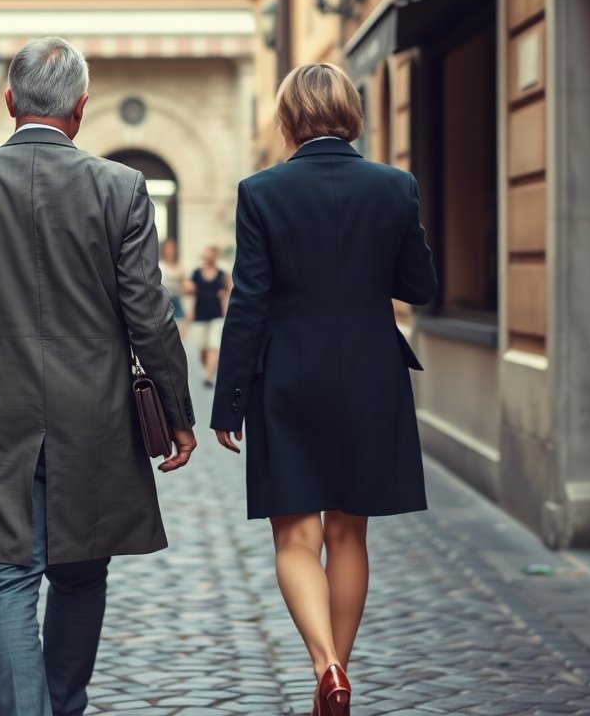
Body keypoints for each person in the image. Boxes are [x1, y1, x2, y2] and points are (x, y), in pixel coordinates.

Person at [0, 37, 197, 716]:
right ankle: (62, 706)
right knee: (82, 574)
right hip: (96, 416)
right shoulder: (121, 188)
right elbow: (150, 319)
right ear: (81, 109)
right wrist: (178, 415)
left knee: (3, 582)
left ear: (10, 102)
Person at [210, 63, 436, 716]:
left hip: (288, 378)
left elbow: (249, 300)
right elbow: (419, 286)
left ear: (288, 121)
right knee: (348, 536)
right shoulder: (395, 187)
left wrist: (228, 402)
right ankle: (337, 673)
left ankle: (326, 667)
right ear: (353, 115)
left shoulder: (261, 191)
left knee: (295, 539)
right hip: (371, 376)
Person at [188, 245, 231, 387]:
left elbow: (227, 293)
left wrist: (224, 297)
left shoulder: (221, 275)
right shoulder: (196, 273)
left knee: (214, 345)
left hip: (216, 315)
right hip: (200, 315)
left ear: (215, 257)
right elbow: (190, 293)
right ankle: (209, 367)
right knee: (202, 349)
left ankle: (207, 376)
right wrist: (190, 310)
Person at [159, 238, 187, 336]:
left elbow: (185, 283)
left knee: (180, 330)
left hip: (177, 302)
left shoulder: (180, 267)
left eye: (172, 248)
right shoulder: (160, 266)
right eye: (168, 248)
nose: (171, 251)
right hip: (163, 302)